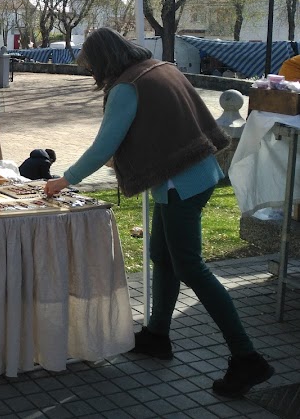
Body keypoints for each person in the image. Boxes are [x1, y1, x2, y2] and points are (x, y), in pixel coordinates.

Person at [43, 27, 273, 398]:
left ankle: (247, 358)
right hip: (195, 173)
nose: (92, 74)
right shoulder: (159, 67)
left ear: (103, 61)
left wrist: (64, 180)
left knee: (190, 267)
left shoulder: (127, 87)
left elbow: (104, 146)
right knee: (162, 257)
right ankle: (157, 336)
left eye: (92, 67)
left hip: (182, 182)